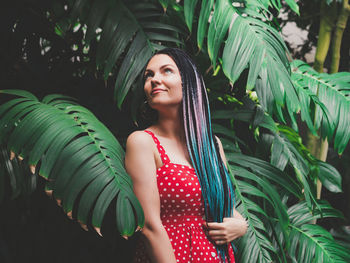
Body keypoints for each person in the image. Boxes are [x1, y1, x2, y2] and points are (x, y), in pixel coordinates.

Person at [125, 48, 248, 263]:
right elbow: (150, 226)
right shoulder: (143, 142)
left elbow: (222, 206)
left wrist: (241, 224)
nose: (155, 80)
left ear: (189, 82)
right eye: (149, 75)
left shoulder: (212, 146)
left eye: (166, 71)